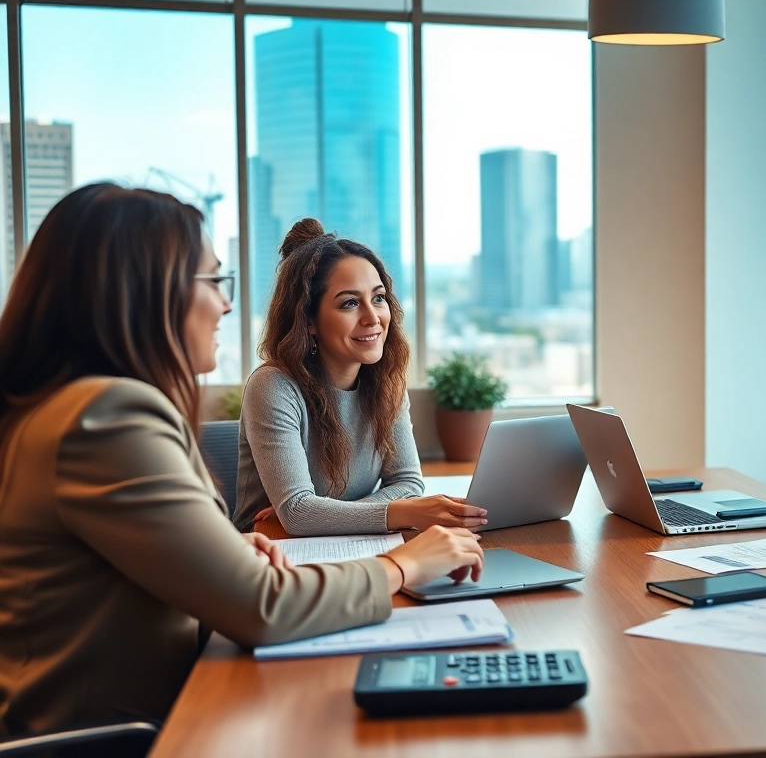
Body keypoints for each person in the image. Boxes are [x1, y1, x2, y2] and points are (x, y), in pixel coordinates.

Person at [0, 184, 485, 737]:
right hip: (113, 738)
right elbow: (263, 608)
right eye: (211, 281)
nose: (225, 303)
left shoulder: (78, 408)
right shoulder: (106, 418)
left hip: (158, 710)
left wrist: (223, 547)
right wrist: (405, 566)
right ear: (142, 293)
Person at [233, 219, 487, 536]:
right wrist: (395, 511)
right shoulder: (273, 386)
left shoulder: (387, 382)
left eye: (378, 298)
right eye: (350, 303)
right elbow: (298, 515)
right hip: (269, 553)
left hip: (351, 545)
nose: (372, 318)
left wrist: (324, 515)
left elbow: (408, 483)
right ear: (309, 321)